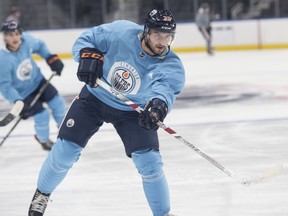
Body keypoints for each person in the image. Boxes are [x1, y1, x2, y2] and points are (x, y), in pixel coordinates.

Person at [28, 9, 185, 216]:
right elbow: (87, 40)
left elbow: (165, 89)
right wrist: (88, 54)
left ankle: (163, 213)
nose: (162, 42)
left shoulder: (171, 64)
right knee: (64, 153)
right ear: (146, 31)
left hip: (132, 111)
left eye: (168, 37)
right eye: (157, 35)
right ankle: (41, 195)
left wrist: (158, 106)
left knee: (150, 163)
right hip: (95, 98)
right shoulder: (120, 32)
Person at [0, 20, 67, 150]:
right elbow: (4, 85)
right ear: (5, 38)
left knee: (58, 104)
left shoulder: (27, 40)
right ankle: (43, 140)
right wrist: (18, 102)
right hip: (23, 94)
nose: (15, 37)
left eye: (16, 33)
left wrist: (50, 58)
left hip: (38, 81)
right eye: (10, 35)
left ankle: (66, 133)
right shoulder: (3, 59)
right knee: (42, 116)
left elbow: (40, 45)